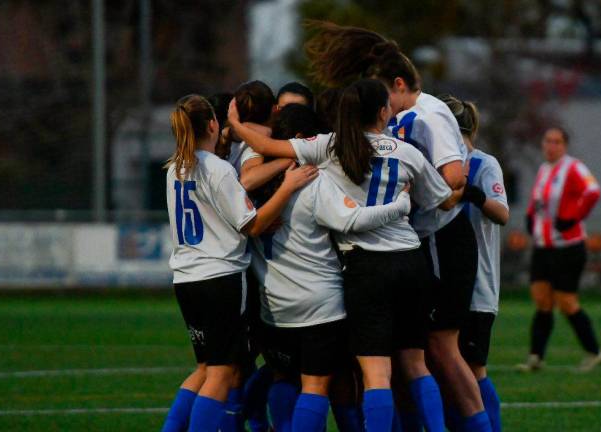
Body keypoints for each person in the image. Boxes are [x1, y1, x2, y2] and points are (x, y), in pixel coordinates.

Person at [229, 78, 456, 432]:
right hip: (411, 260)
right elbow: (443, 198)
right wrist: (405, 204)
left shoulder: (329, 146)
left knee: (375, 371)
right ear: (383, 112)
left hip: (365, 266)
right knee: (415, 363)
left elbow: (266, 144)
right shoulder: (407, 151)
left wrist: (237, 125)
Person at [304, 20, 492, 432]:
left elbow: (456, 176)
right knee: (416, 355)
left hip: (439, 236)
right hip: (412, 245)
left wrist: (408, 194)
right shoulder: (397, 127)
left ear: (400, 84)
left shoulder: (429, 112)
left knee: (441, 348)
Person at [159, 94, 318, 432]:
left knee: (204, 368)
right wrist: (287, 184)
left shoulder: (174, 168)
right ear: (214, 125)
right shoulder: (217, 169)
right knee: (223, 372)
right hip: (219, 279)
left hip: (186, 279)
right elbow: (254, 225)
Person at [440, 95, 509, 432]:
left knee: (471, 367)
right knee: (445, 369)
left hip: (477, 286)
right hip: (445, 282)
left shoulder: (484, 164)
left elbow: (502, 213)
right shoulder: (437, 163)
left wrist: (475, 195)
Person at [517, 126, 601, 373]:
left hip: (568, 247)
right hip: (543, 247)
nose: (550, 146)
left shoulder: (573, 168)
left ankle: (594, 351)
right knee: (542, 300)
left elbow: (593, 191)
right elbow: (537, 201)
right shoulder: (544, 170)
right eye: (547, 141)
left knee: (566, 302)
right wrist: (530, 217)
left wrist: (574, 218)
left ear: (564, 146)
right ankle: (536, 357)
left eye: (556, 141)